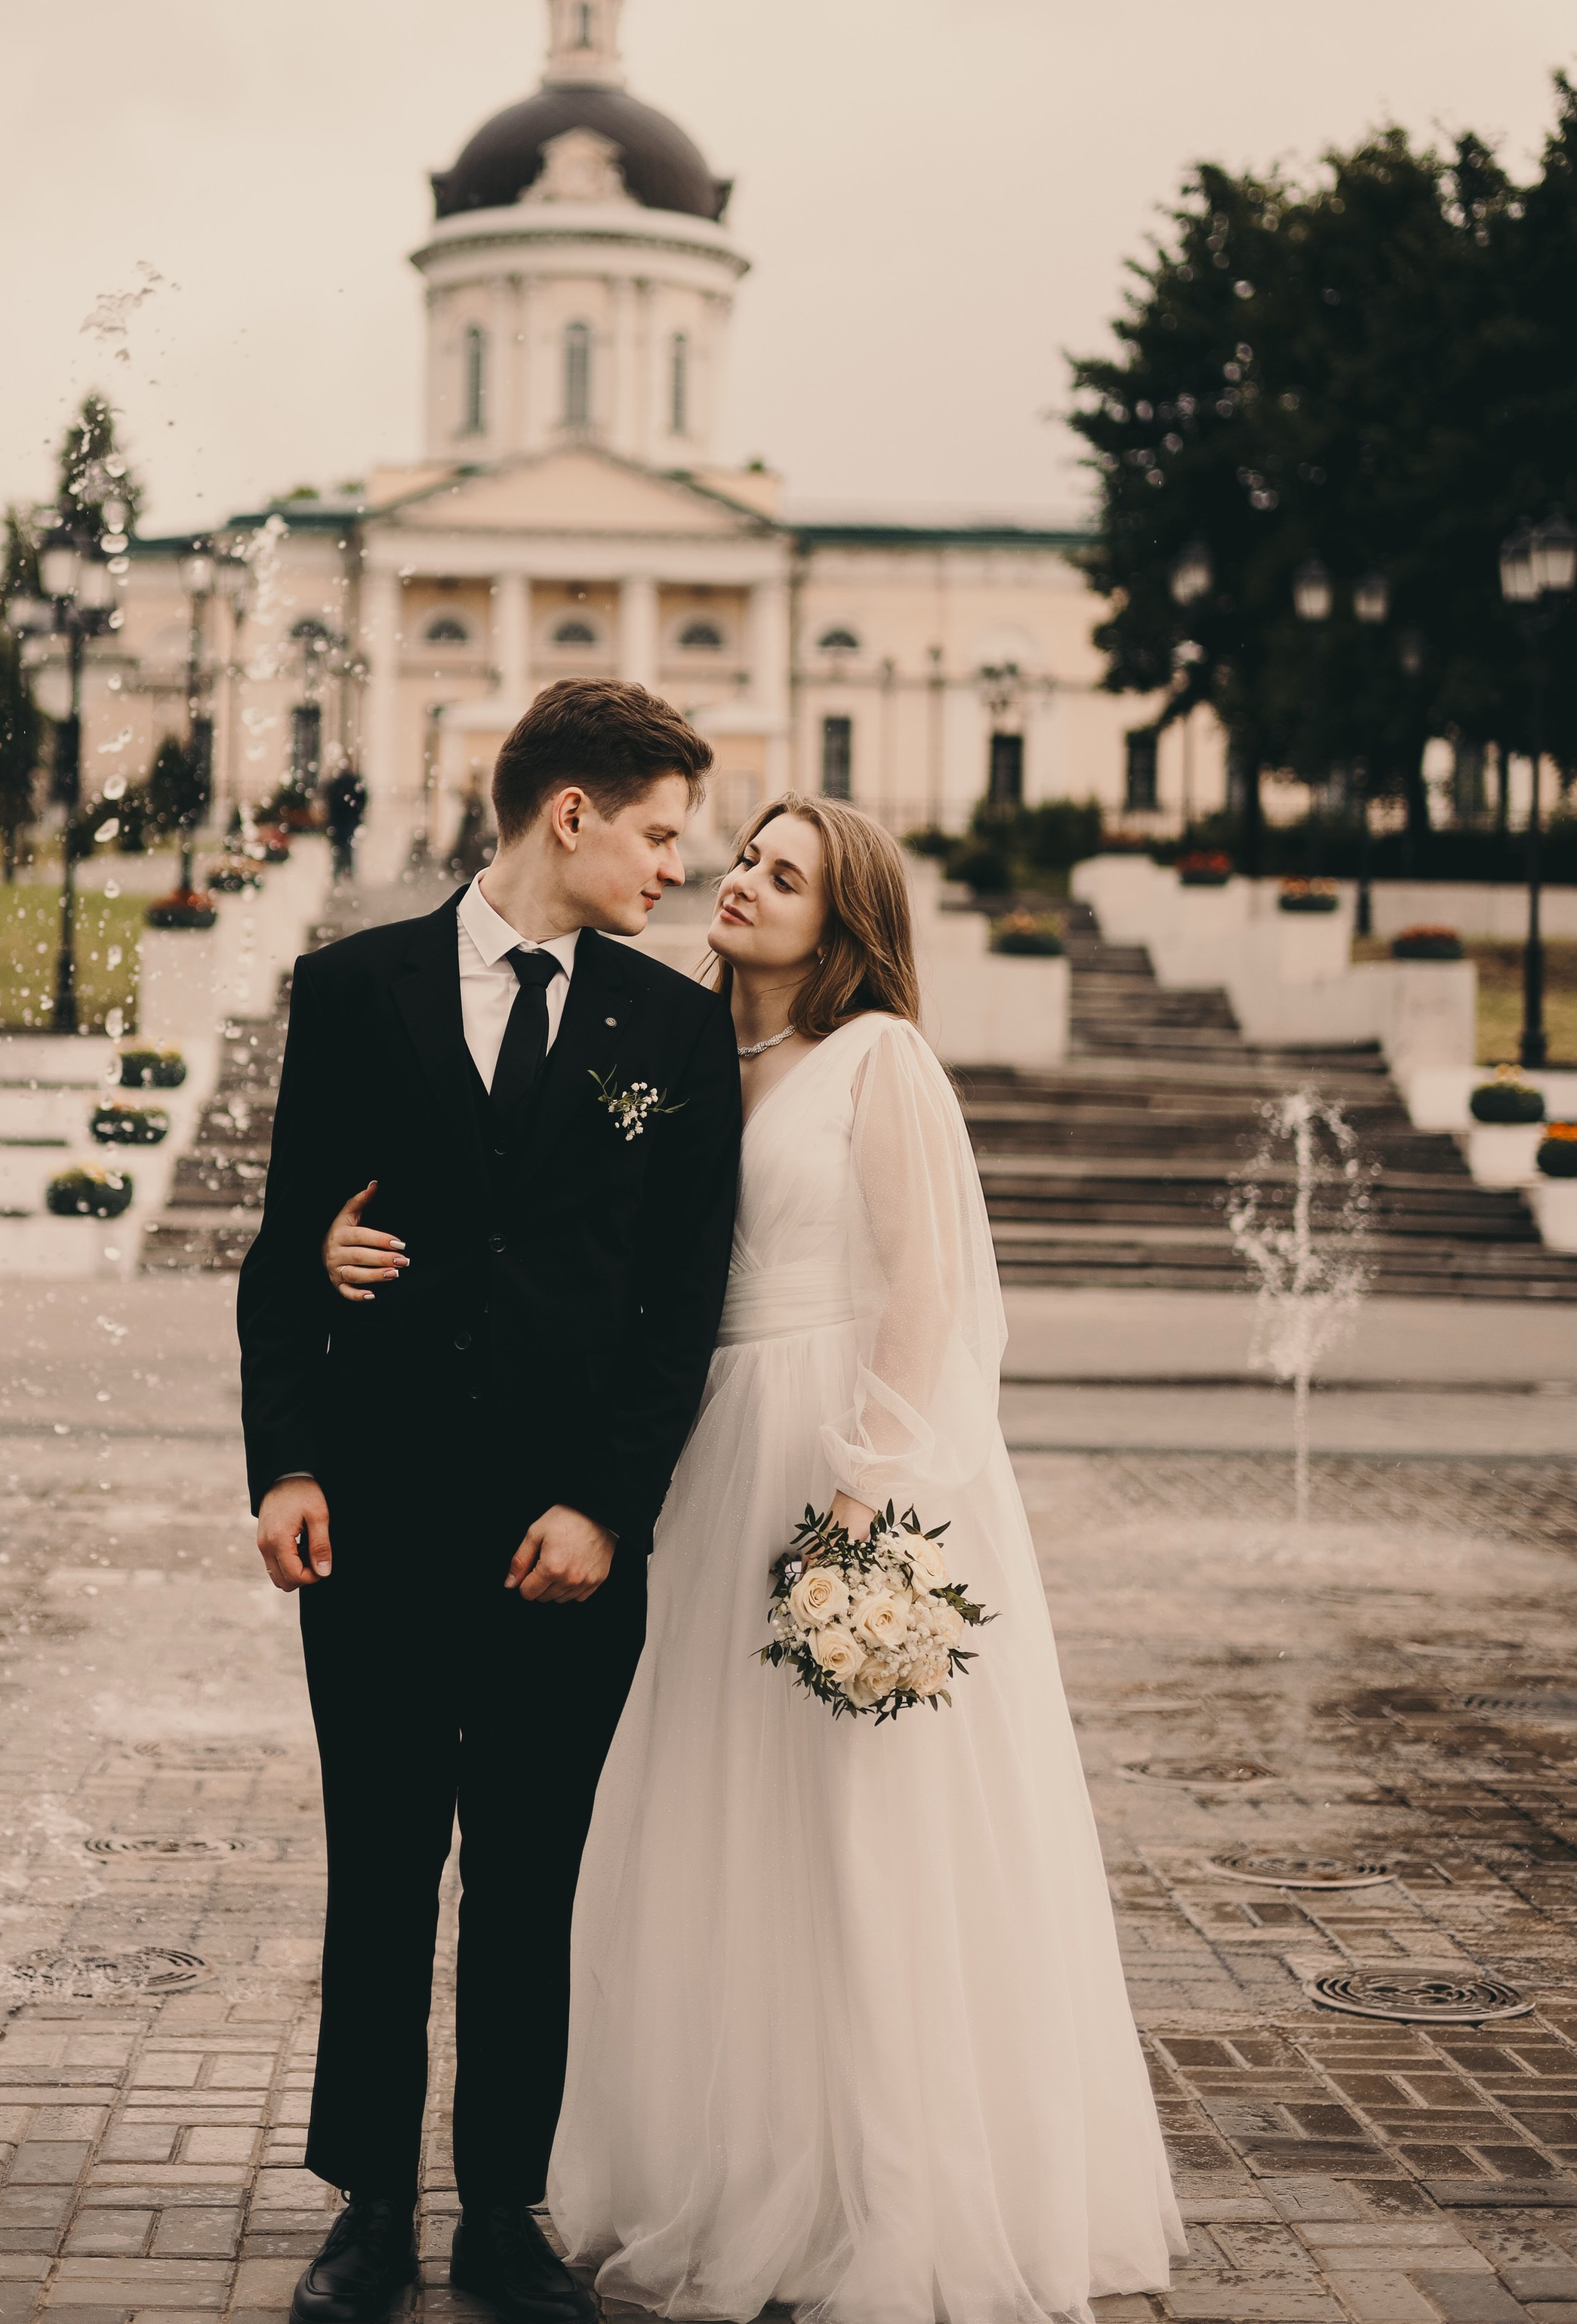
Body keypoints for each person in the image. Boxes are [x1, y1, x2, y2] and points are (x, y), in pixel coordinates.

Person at [336, 796, 1182, 2324]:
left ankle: (879, 2190)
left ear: (840, 919)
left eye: (782, 876)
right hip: (702, 1449)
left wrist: (867, 1490)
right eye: (741, 859)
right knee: (710, 1813)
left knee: (850, 1826)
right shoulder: (664, 1045)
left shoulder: (880, 1061)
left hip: (833, 1460)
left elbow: (927, 1294)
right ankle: (727, 2160)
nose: (739, 883)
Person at [241, 679, 742, 2324]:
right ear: (570, 814)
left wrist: (609, 1506)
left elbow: (680, 1307)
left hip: (563, 1543)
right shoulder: (350, 988)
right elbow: (281, 1254)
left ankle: (504, 2212)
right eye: (661, 834)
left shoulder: (673, 1031)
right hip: (374, 1518)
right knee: (381, 1869)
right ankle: (367, 2207)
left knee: (530, 1881)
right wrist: (288, 1461)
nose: (680, 866)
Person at [320, 762, 366, 879]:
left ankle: (341, 870)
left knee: (340, 845)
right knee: (346, 845)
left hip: (341, 819)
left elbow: (330, 799)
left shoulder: (338, 783)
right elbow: (361, 799)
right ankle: (346, 870)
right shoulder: (350, 782)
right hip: (345, 819)